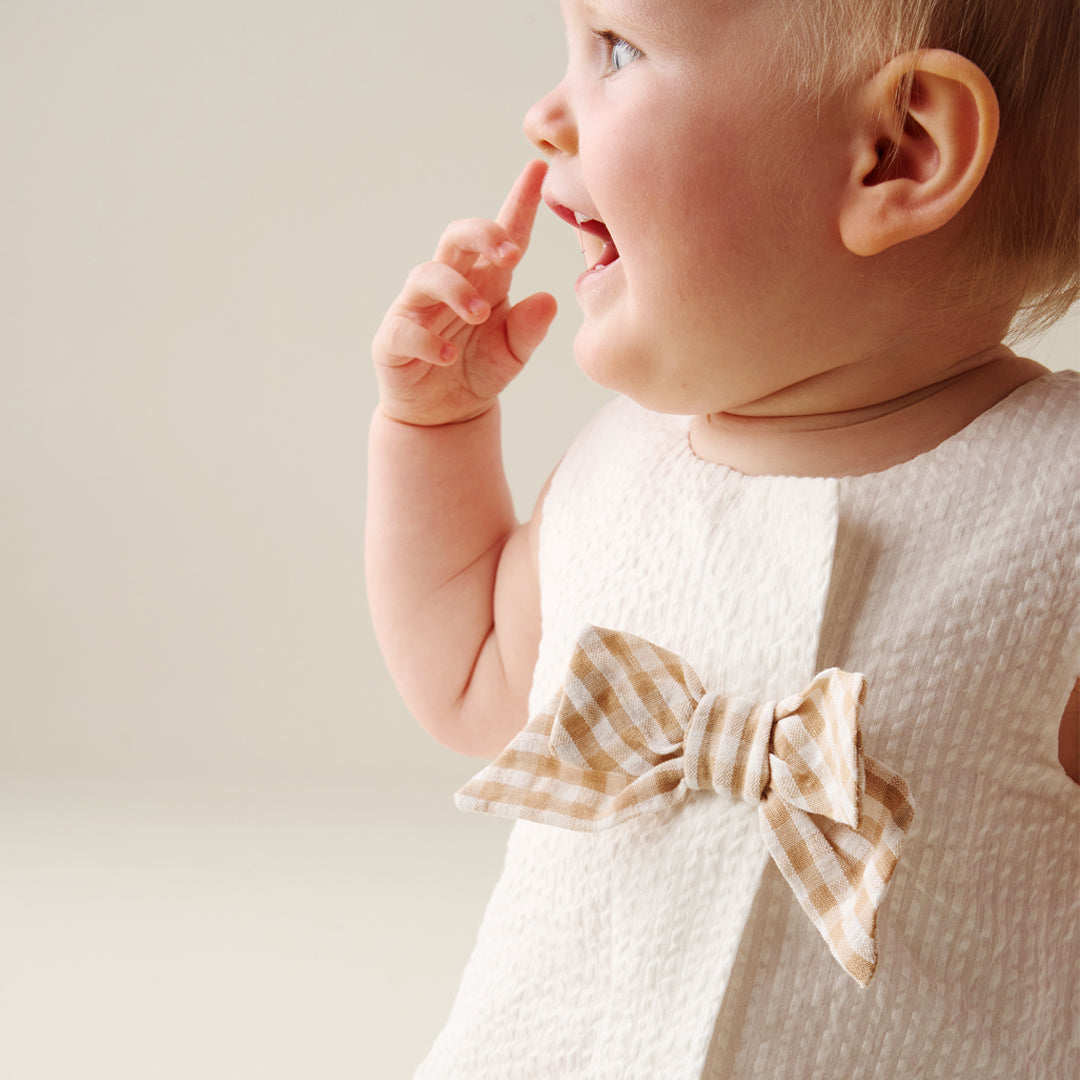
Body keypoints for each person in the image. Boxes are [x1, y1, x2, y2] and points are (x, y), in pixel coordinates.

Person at [367, 0, 1079, 1074]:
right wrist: (434, 432)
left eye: (616, 49)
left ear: (898, 151)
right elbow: (471, 679)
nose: (544, 116)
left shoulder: (1054, 506)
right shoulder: (620, 472)